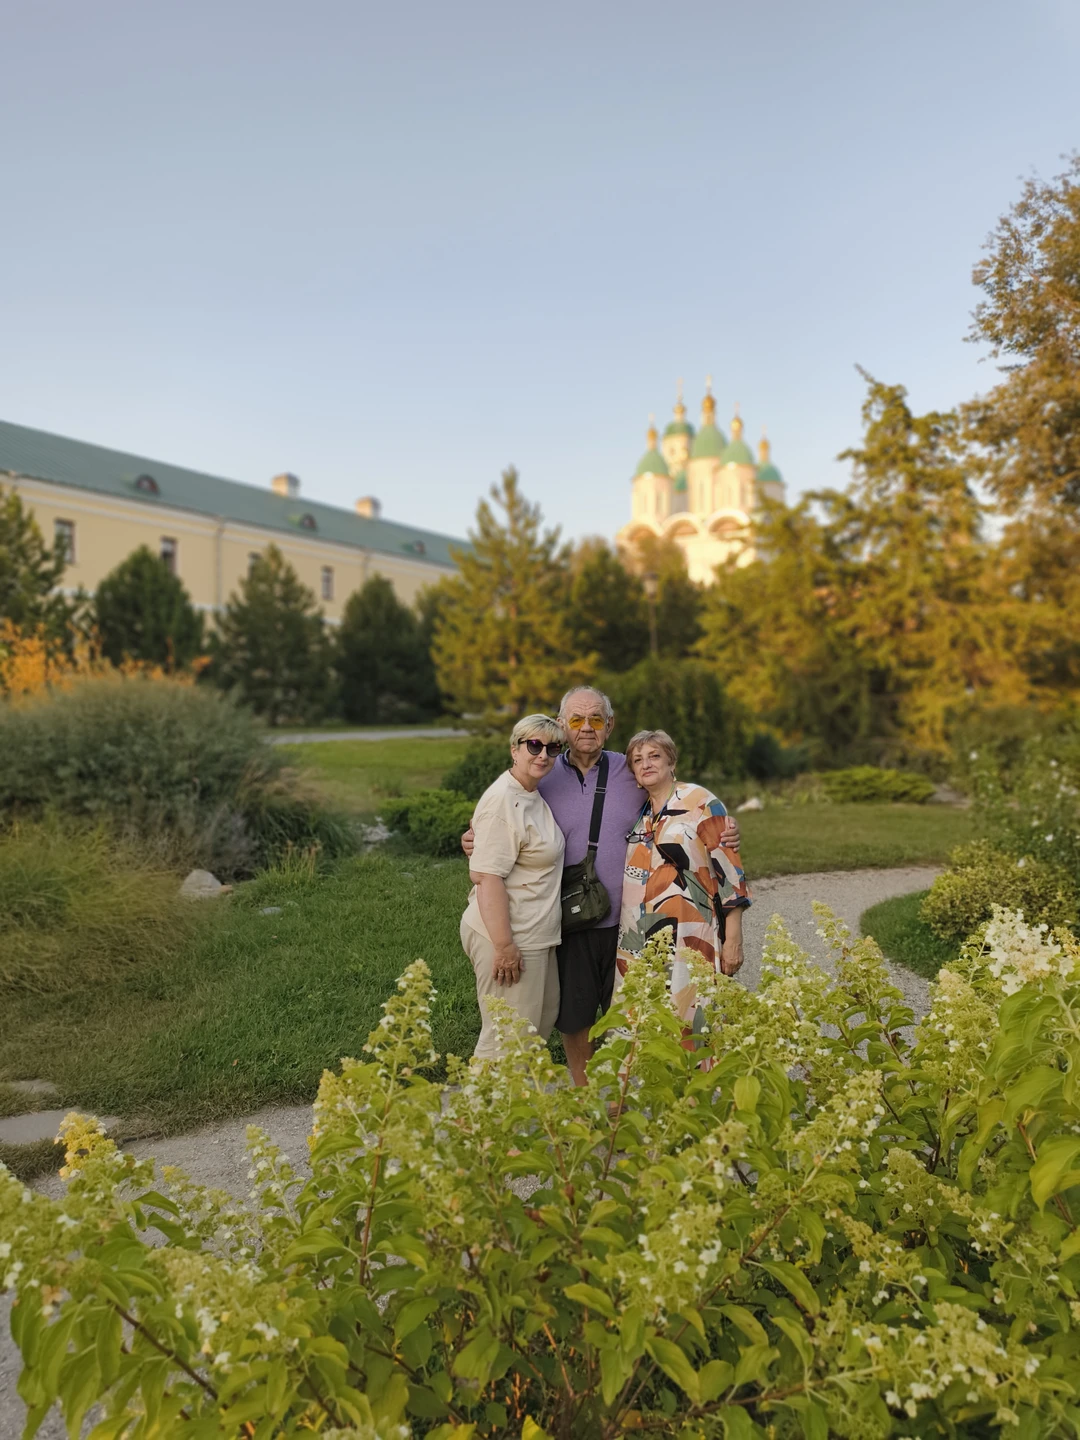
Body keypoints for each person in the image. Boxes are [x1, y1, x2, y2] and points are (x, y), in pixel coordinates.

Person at [464, 686, 740, 1084]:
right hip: (567, 919)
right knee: (574, 1014)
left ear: (610, 725)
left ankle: (621, 1088)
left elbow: (678, 803)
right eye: (576, 720)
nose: (586, 728)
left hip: (630, 923)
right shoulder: (542, 769)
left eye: (596, 719)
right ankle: (583, 1089)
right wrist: (469, 838)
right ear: (562, 724)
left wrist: (726, 828)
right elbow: (500, 819)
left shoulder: (630, 770)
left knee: (629, 1010)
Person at [616, 728, 750, 1041]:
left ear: (671, 762)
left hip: (690, 934)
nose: (646, 764)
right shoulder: (639, 814)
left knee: (691, 1019)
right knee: (645, 1023)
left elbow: (732, 877)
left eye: (654, 756)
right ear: (634, 773)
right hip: (637, 938)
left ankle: (694, 1089)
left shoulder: (700, 801)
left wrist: (733, 939)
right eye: (638, 760)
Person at [461, 714, 566, 1061]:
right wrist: (504, 946)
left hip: (535, 931)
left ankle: (504, 1111)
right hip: (509, 934)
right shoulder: (504, 800)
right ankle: (474, 1115)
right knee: (507, 1040)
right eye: (534, 745)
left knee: (537, 1025)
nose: (543, 755)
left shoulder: (531, 793)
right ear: (514, 749)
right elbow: (487, 877)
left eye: (553, 748)